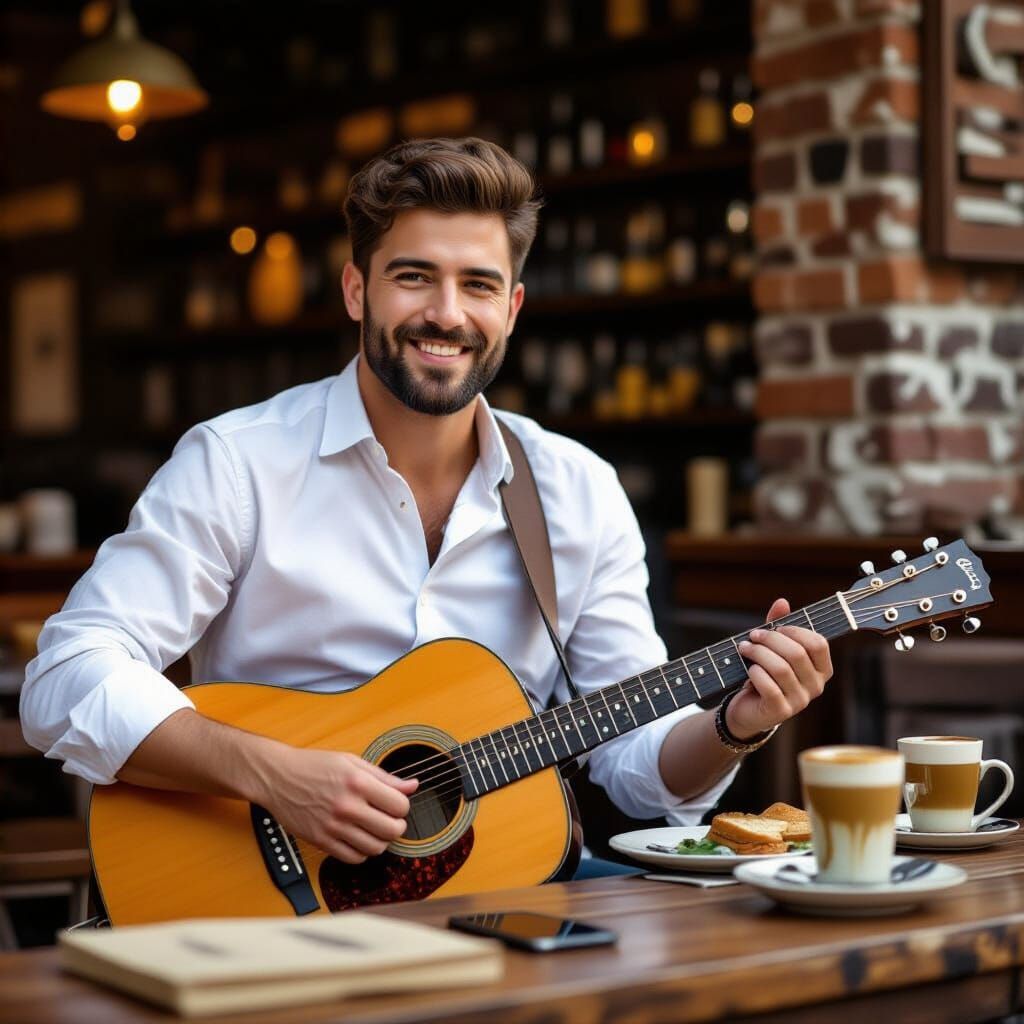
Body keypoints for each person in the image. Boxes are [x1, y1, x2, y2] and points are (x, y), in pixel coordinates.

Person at [21, 137, 832, 873]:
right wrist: (275, 775)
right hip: (270, 892)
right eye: (414, 277)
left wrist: (735, 724)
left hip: (499, 885)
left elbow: (638, 763)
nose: (446, 313)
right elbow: (66, 676)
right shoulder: (237, 463)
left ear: (511, 309)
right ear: (356, 291)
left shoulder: (575, 489)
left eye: (478, 284)